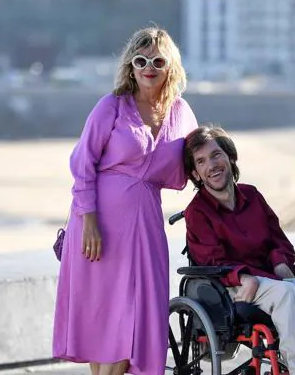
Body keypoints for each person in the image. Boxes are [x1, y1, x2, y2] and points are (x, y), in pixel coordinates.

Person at [53, 27, 198, 375]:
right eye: (141, 59)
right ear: (131, 66)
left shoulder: (181, 113)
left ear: (171, 67)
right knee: (102, 321)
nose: (149, 66)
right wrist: (88, 221)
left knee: (132, 320)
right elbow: (82, 165)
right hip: (97, 229)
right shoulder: (111, 106)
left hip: (145, 229)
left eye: (158, 60)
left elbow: (197, 160)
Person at [183, 126, 295, 375]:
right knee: (286, 294)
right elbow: (210, 260)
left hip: (272, 277)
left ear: (228, 156)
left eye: (216, 155)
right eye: (201, 161)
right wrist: (242, 276)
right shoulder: (198, 212)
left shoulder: (252, 195)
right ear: (196, 173)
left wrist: (280, 263)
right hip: (231, 286)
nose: (211, 165)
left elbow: (278, 240)